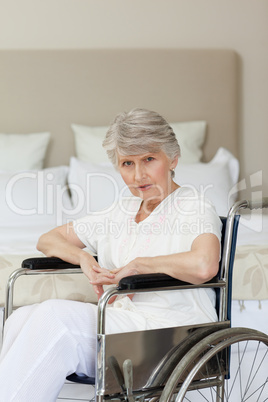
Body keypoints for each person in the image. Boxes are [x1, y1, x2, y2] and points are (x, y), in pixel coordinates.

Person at [0, 108, 221, 401]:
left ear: (173, 159)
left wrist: (141, 265)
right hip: (124, 328)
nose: (138, 174)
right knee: (21, 317)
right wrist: (83, 259)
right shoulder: (121, 210)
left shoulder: (193, 205)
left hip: (173, 331)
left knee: (54, 317)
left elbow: (205, 264)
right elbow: (47, 239)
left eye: (149, 159)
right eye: (127, 163)